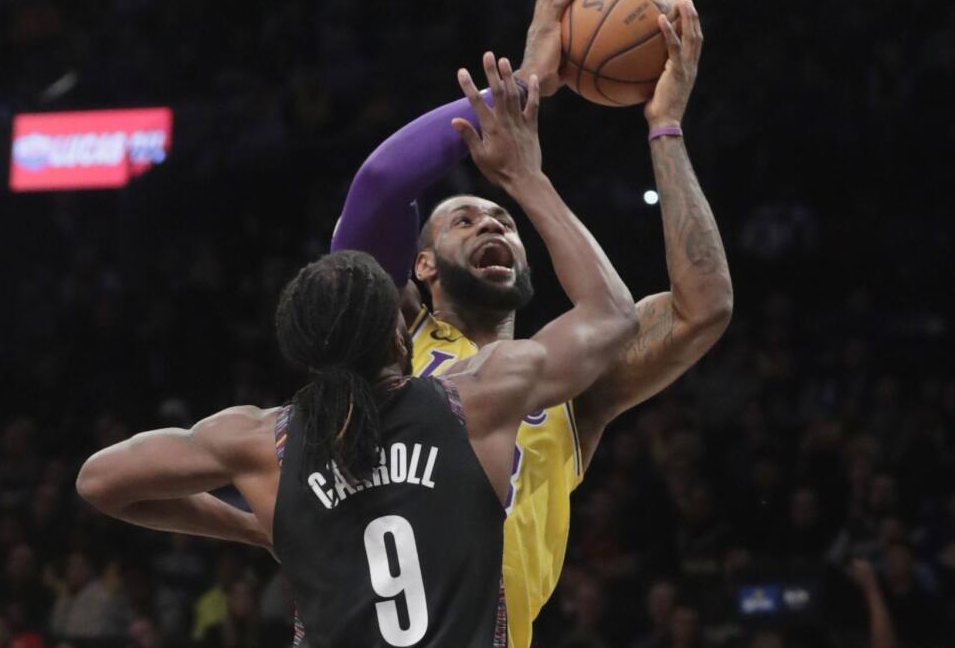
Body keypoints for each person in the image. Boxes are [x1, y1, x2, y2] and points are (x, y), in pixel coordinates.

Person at [77, 60, 638, 647]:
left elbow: (99, 482)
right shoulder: (478, 397)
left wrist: (256, 529)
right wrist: (526, 177)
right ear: (403, 337)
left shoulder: (262, 441)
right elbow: (611, 313)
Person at [329, 0, 731, 645]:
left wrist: (665, 129)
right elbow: (380, 183)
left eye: (506, 224)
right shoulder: (388, 339)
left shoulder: (567, 382)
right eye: (464, 217)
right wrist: (528, 87)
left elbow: (704, 307)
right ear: (421, 266)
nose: (493, 225)